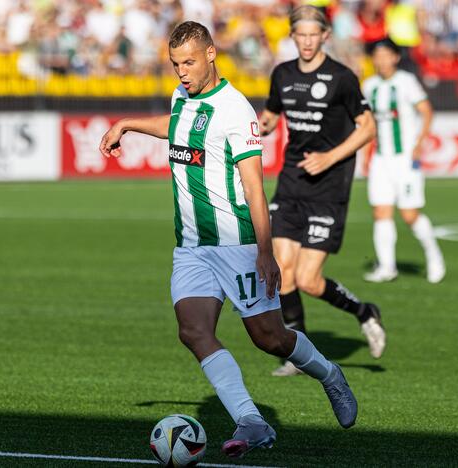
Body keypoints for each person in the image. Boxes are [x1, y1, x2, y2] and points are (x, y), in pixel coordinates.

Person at [100, 21, 358, 459]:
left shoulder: (236, 110)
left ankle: (330, 375)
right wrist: (127, 124)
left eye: (189, 62)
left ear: (211, 53)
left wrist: (266, 252)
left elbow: (255, 188)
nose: (182, 72)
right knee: (193, 330)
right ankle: (250, 420)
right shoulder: (183, 96)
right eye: (175, 64)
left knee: (269, 338)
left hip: (237, 244)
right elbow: (177, 124)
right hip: (191, 247)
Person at [259, 6, 386, 376]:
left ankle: (365, 312)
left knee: (310, 281)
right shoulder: (282, 74)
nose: (308, 41)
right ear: (292, 36)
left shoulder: (341, 78)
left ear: (325, 36)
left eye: (314, 35)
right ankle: (298, 355)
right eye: (301, 35)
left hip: (328, 188)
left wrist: (329, 157)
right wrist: (259, 126)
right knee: (283, 273)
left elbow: (367, 128)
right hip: (292, 182)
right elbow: (271, 114)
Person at [361, 39, 446, 284]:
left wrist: (419, 144)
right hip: (380, 159)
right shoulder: (369, 86)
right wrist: (367, 155)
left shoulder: (406, 82)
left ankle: (434, 255)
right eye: (377, 56)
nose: (381, 60)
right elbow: (369, 124)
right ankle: (387, 267)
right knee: (381, 211)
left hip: (405, 159)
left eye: (386, 55)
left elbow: (426, 111)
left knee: (409, 214)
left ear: (396, 57)